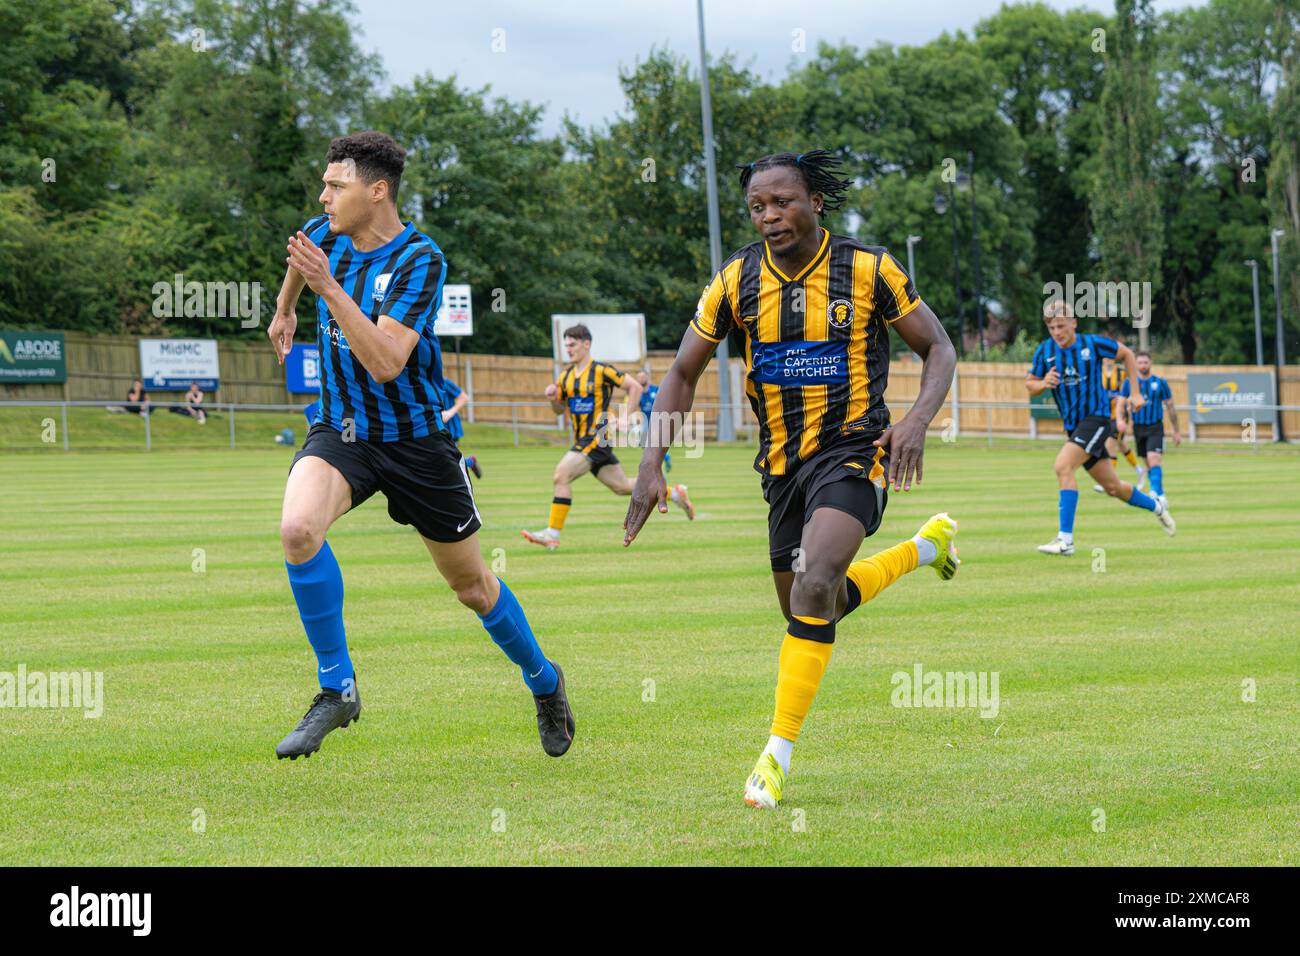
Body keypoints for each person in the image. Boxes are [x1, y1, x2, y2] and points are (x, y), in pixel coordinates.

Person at [623, 149, 961, 809]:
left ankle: (773, 759)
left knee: (814, 584)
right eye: (758, 206)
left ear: (815, 203)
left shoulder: (868, 268)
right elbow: (682, 373)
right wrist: (648, 464)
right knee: (812, 606)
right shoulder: (735, 281)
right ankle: (925, 549)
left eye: (783, 201)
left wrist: (918, 420)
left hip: (854, 451)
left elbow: (939, 347)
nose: (770, 215)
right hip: (780, 468)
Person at [265, 130, 573, 760]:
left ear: (376, 191)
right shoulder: (322, 235)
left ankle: (544, 680)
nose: (323, 197)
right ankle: (337, 688)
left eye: (335, 185)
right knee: (298, 530)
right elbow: (298, 261)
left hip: (415, 442)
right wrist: (285, 308)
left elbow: (384, 361)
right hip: (342, 431)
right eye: (323, 184)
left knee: (472, 587)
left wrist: (326, 289)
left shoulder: (420, 259)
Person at [521, 324, 693, 551]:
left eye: (572, 345)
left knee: (560, 475)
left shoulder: (601, 370)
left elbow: (634, 388)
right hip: (582, 441)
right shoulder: (565, 377)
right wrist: (553, 398)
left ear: (586, 344)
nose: (568, 349)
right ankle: (674, 493)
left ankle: (552, 534)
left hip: (597, 437)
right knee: (622, 487)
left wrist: (625, 416)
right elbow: (558, 410)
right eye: (566, 345)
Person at [1027, 300, 1175, 556]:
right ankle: (1157, 508)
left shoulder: (1091, 344)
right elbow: (1030, 383)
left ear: (1074, 323)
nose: (1057, 332)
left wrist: (1136, 394)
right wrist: (1043, 384)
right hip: (1075, 428)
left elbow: (1127, 354)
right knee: (1114, 487)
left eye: (1061, 326)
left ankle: (1065, 540)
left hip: (1096, 419)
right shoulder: (1045, 351)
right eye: (1052, 327)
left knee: (1063, 466)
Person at [1119, 350, 1181, 508]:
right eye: (1139, 362)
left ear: (1150, 363)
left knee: (1154, 459)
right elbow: (1121, 404)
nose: (1143, 365)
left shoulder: (1160, 382)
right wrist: (1121, 422)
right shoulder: (1129, 383)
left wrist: (1176, 431)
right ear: (1135, 365)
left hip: (1155, 426)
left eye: (1145, 362)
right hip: (1138, 428)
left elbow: (1171, 407)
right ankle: (1158, 492)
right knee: (1148, 463)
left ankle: (1157, 493)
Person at [1092, 355, 1146, 494]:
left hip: (1119, 415)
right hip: (1104, 414)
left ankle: (1108, 481)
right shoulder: (1097, 372)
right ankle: (1138, 470)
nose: (1108, 360)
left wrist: (1126, 408)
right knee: (1121, 445)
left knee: (1110, 444)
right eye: (1105, 358)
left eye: (1110, 358)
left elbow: (1129, 392)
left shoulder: (1122, 374)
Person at [440, 377, 481, 478]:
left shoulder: (444, 382)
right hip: (436, 428)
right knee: (446, 462)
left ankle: (469, 462)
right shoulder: (424, 385)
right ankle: (469, 462)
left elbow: (464, 397)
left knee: (449, 462)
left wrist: (450, 413)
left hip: (450, 429)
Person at [635, 370, 670, 472]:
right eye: (639, 377)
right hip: (646, 421)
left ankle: (656, 463)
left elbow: (665, 401)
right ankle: (665, 457)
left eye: (643, 377)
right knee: (644, 444)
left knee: (653, 444)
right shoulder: (637, 393)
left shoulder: (655, 389)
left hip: (657, 420)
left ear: (647, 377)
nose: (641, 379)